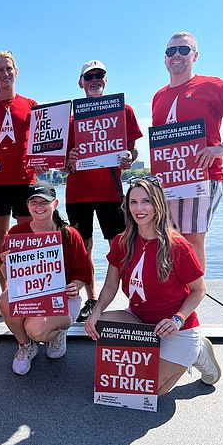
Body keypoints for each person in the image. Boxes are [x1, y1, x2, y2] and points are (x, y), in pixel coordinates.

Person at [84, 177, 221, 395]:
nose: (139, 208)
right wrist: (96, 311)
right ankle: (151, 355)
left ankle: (197, 352)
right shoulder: (122, 241)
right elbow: (111, 285)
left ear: (157, 204)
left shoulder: (178, 246)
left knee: (149, 390)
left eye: (146, 201)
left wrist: (178, 318)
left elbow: (199, 290)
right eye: (133, 202)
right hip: (140, 320)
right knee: (101, 325)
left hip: (177, 327)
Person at [152, 32, 223, 270]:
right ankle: (173, 294)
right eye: (171, 51)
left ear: (195, 55)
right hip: (168, 180)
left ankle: (194, 296)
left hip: (203, 176)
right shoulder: (158, 96)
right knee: (166, 238)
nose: (177, 55)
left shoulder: (212, 85)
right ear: (165, 59)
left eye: (184, 50)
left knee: (192, 238)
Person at [65, 60, 143, 322]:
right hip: (77, 195)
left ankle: (136, 299)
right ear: (81, 82)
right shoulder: (71, 118)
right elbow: (61, 166)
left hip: (111, 192)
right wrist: (69, 160)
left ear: (106, 80)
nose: (94, 80)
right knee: (83, 249)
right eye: (89, 76)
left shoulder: (124, 111)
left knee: (121, 246)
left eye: (99, 75)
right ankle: (91, 298)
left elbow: (132, 150)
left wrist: (129, 158)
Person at [0, 181, 92, 375]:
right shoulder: (16, 233)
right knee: (5, 300)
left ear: (55, 204)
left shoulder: (70, 234)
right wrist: (7, 262)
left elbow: (84, 273)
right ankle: (26, 346)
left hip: (62, 297)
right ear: (27, 205)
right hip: (30, 294)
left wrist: (75, 286)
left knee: (37, 330)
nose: (39, 206)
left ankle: (57, 333)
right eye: (34, 202)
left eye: (45, 202)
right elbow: (8, 275)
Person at [0, 51, 44, 316]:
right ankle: (6, 294)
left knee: (28, 240)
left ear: (16, 71)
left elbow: (43, 143)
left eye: (8, 69)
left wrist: (43, 160)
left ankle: (28, 293)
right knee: (0, 240)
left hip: (26, 182)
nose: (5, 74)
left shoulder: (32, 105)